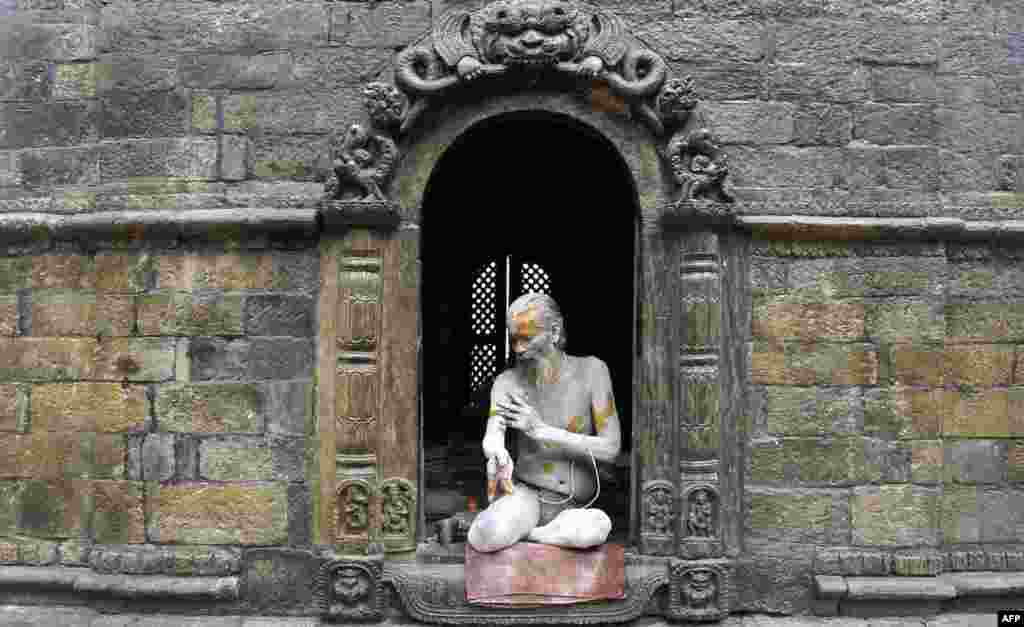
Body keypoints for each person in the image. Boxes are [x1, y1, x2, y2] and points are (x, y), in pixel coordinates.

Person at [466, 293, 622, 552]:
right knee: (484, 534)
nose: (518, 348)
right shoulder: (508, 382)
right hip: (527, 497)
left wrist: (542, 430)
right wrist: (495, 452)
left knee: (596, 527)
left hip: (577, 506)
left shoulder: (593, 372)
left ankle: (532, 535)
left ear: (554, 330)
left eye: (527, 338)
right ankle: (543, 533)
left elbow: (611, 448)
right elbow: (494, 432)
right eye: (514, 339)